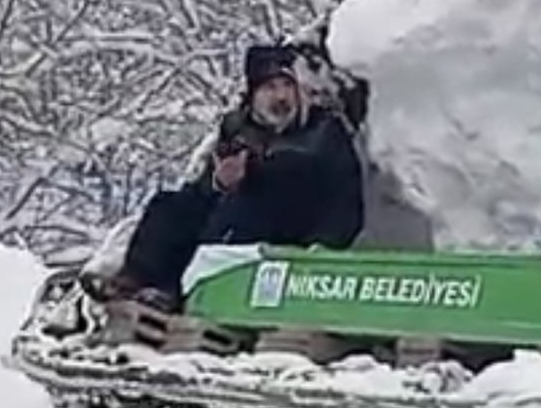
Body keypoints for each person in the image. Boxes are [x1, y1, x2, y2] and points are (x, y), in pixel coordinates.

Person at [103, 42, 365, 309]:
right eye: (270, 88)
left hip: (288, 234)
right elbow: (204, 192)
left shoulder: (323, 134)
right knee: (171, 205)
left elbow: (345, 198)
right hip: (233, 224)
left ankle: (181, 291)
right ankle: (139, 281)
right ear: (253, 94)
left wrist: (323, 248)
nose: (281, 97)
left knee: (253, 194)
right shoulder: (238, 132)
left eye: (287, 86)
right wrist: (220, 183)